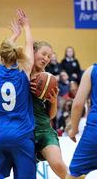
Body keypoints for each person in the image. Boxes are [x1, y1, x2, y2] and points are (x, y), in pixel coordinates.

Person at [0, 9, 36, 179]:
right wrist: (26, 27)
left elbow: (4, 53)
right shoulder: (24, 70)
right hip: (21, 135)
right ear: (16, 55)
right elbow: (30, 47)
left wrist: (14, 35)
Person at [30, 41, 67, 179]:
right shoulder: (22, 73)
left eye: (49, 56)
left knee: (59, 165)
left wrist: (53, 101)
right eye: (43, 54)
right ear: (33, 52)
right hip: (25, 132)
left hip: (44, 129)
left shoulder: (49, 80)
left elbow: (51, 116)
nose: (46, 58)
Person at [66, 64, 97, 179]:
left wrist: (74, 130)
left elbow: (78, 104)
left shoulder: (92, 70)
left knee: (74, 175)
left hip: (95, 132)